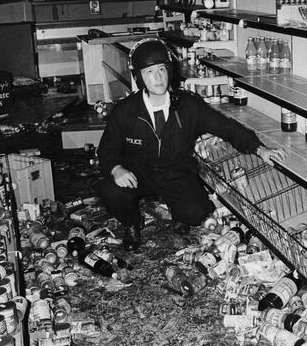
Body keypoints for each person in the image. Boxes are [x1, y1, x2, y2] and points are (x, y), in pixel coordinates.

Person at [97, 38, 286, 249]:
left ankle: (180, 214)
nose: (158, 77)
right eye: (150, 72)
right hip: (138, 171)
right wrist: (117, 169)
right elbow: (106, 150)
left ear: (169, 70)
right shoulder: (126, 111)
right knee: (110, 190)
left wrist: (259, 149)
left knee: (197, 212)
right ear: (139, 77)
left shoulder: (188, 106)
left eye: (162, 69)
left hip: (175, 171)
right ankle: (132, 223)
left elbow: (226, 127)